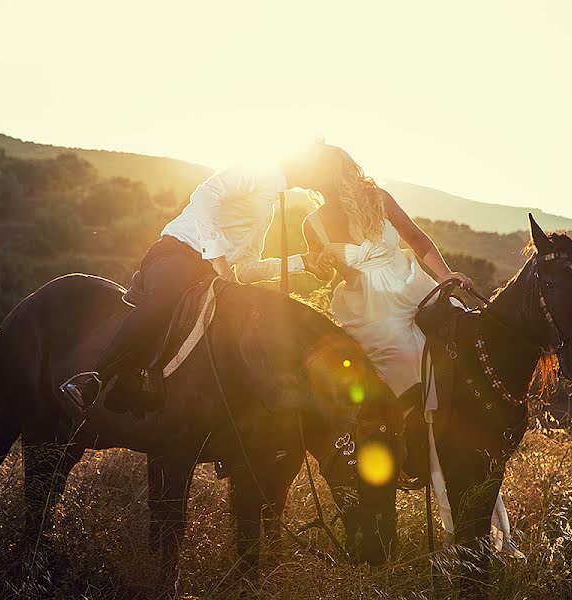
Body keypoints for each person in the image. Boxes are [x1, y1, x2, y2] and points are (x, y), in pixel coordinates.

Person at [302, 145, 523, 557]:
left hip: (410, 286)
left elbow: (418, 241)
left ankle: (472, 448)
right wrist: (313, 267)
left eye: (316, 172)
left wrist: (445, 276)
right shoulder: (311, 223)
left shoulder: (378, 198)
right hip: (370, 309)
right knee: (413, 367)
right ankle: (419, 452)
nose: (312, 181)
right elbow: (335, 272)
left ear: (334, 173)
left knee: (459, 341)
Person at [61, 145, 331, 409]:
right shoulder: (253, 172)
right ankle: (93, 379)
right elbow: (205, 196)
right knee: (166, 296)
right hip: (177, 252)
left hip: (210, 275)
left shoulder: (267, 213)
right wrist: (216, 256)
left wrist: (302, 263)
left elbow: (247, 269)